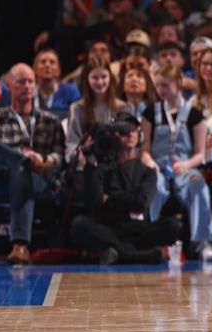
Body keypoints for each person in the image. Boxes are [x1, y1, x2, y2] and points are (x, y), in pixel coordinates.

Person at [70, 112, 181, 264]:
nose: (129, 134)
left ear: (139, 136)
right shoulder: (102, 168)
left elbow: (141, 202)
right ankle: (134, 256)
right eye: (124, 131)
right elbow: (94, 204)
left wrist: (110, 198)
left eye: (133, 130)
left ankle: (118, 252)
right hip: (109, 228)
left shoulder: (147, 172)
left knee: (173, 226)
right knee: (79, 225)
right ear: (114, 136)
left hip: (139, 230)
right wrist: (91, 164)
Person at [141, 65, 212, 262]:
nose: (161, 90)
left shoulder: (195, 115)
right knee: (154, 186)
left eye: (165, 85)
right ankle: (153, 241)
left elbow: (200, 154)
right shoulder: (150, 113)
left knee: (198, 184)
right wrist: (150, 163)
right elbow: (144, 150)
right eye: (158, 86)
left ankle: (203, 244)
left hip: (184, 166)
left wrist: (185, 165)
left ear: (178, 83)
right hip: (158, 166)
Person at [0, 64, 65, 265]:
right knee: (18, 166)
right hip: (1, 177)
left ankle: (20, 245)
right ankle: (24, 161)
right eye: (20, 82)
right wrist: (23, 156)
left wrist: (47, 160)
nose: (26, 86)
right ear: (9, 85)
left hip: (39, 178)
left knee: (21, 173)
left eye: (30, 82)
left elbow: (61, 154)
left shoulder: (50, 121)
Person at [66, 58, 128, 166]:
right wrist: (80, 152)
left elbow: (128, 141)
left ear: (110, 78)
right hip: (88, 163)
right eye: (95, 77)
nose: (100, 82)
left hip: (116, 163)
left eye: (104, 77)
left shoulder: (122, 107)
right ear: (87, 79)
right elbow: (71, 144)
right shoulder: (77, 108)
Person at [32, 49, 81, 120]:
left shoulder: (70, 91)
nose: (47, 65)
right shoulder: (28, 92)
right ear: (35, 69)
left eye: (52, 62)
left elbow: (78, 118)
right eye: (43, 62)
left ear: (58, 70)